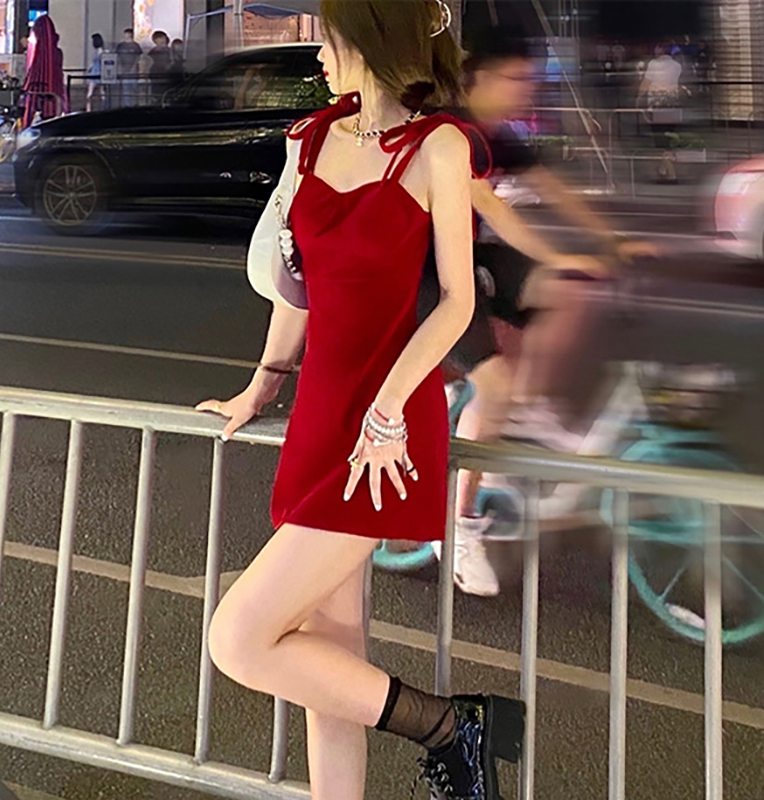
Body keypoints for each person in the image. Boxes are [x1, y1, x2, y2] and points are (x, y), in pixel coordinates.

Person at [196, 1, 525, 798]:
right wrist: (262, 384)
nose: (317, 54)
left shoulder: (437, 145)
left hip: (388, 427)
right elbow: (297, 286)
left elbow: (456, 302)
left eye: (329, 37)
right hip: (320, 416)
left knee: (238, 639)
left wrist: (386, 411)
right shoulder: (310, 139)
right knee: (329, 657)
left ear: (372, 39)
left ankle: (449, 725)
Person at [434, 29, 656, 596]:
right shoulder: (449, 131)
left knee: (571, 288)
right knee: (496, 386)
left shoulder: (496, 135)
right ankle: (457, 529)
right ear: (480, 79)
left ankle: (525, 412)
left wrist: (611, 244)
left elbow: (554, 190)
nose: (525, 91)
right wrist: (563, 254)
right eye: (516, 80)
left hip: (471, 257)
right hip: (427, 274)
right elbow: (494, 209)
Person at [637, 42, 683, 183]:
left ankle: (672, 175)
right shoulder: (677, 66)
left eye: (656, 46)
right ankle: (662, 169)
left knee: (661, 141)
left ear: (661, 48)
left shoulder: (654, 64)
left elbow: (646, 83)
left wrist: (639, 98)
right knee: (668, 139)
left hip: (657, 106)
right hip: (673, 105)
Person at [115, 27, 143, 106]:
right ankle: (127, 104)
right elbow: (118, 57)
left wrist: (134, 66)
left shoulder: (136, 46)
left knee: (133, 87)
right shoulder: (121, 46)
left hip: (133, 69)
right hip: (124, 69)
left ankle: (134, 104)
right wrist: (120, 66)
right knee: (125, 88)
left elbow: (138, 57)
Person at [148, 30, 171, 101]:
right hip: (155, 73)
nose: (162, 40)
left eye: (163, 38)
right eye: (160, 38)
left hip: (166, 73)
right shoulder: (152, 51)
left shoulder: (169, 51)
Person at [86, 33, 105, 112]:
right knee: (101, 91)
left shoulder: (99, 51)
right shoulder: (99, 50)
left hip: (96, 71)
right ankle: (103, 106)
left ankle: (88, 108)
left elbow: (94, 61)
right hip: (99, 70)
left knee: (91, 91)